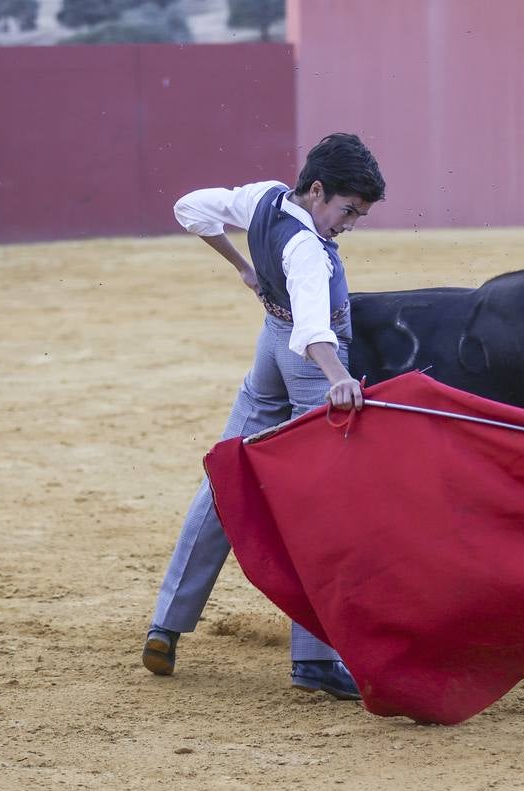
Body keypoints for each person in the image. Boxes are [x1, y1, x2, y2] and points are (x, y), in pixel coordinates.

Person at [142, 133, 386, 699]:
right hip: (305, 363)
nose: (349, 224)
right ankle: (315, 659)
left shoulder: (264, 197)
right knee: (317, 504)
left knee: (227, 482)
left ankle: (166, 624)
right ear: (318, 190)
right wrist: (339, 379)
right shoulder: (307, 250)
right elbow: (312, 329)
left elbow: (191, 209)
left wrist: (243, 267)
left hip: (266, 356)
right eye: (347, 210)